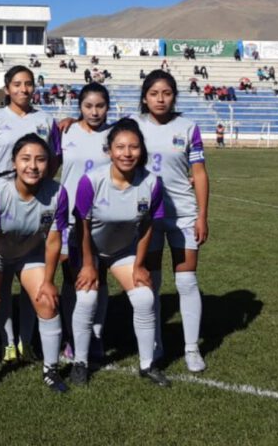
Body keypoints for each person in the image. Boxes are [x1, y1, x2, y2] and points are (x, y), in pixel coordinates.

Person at [73, 118, 169, 386]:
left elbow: (149, 223)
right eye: (120, 147)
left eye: (134, 147)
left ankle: (147, 364)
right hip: (88, 248)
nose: (127, 153)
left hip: (122, 251)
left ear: (142, 150)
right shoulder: (91, 181)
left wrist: (139, 264)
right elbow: (83, 224)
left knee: (144, 298)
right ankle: (80, 362)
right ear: (109, 150)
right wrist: (89, 264)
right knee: (87, 300)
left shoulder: (152, 183)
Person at [0, 134, 69, 396]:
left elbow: (53, 241)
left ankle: (51, 369)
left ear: (49, 163)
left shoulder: (58, 192)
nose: (33, 166)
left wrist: (48, 282)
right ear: (14, 162)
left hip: (29, 254)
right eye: (25, 159)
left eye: (40, 159)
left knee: (47, 302)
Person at [0, 66, 62, 363]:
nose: (23, 89)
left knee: (31, 276)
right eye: (17, 84)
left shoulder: (46, 120)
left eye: (28, 84)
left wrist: (40, 185)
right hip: (2, 196)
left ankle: (27, 341)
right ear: (6, 89)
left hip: (34, 197)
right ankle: (7, 341)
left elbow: (54, 157)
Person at [135, 70, 209, 373]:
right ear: (144, 97)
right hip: (147, 216)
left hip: (184, 213)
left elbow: (200, 173)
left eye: (166, 93)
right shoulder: (133, 126)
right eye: (154, 93)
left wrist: (203, 215)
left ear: (174, 96)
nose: (160, 98)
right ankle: (155, 343)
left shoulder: (188, 127)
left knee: (186, 280)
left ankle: (191, 348)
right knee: (150, 281)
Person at [59, 84, 113, 367]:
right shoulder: (65, 132)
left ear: (108, 106)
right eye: (88, 106)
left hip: (103, 219)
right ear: (79, 106)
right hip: (69, 217)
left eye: (100, 106)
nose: (94, 111)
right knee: (72, 278)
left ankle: (96, 335)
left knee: (99, 278)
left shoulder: (115, 135)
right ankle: (71, 336)